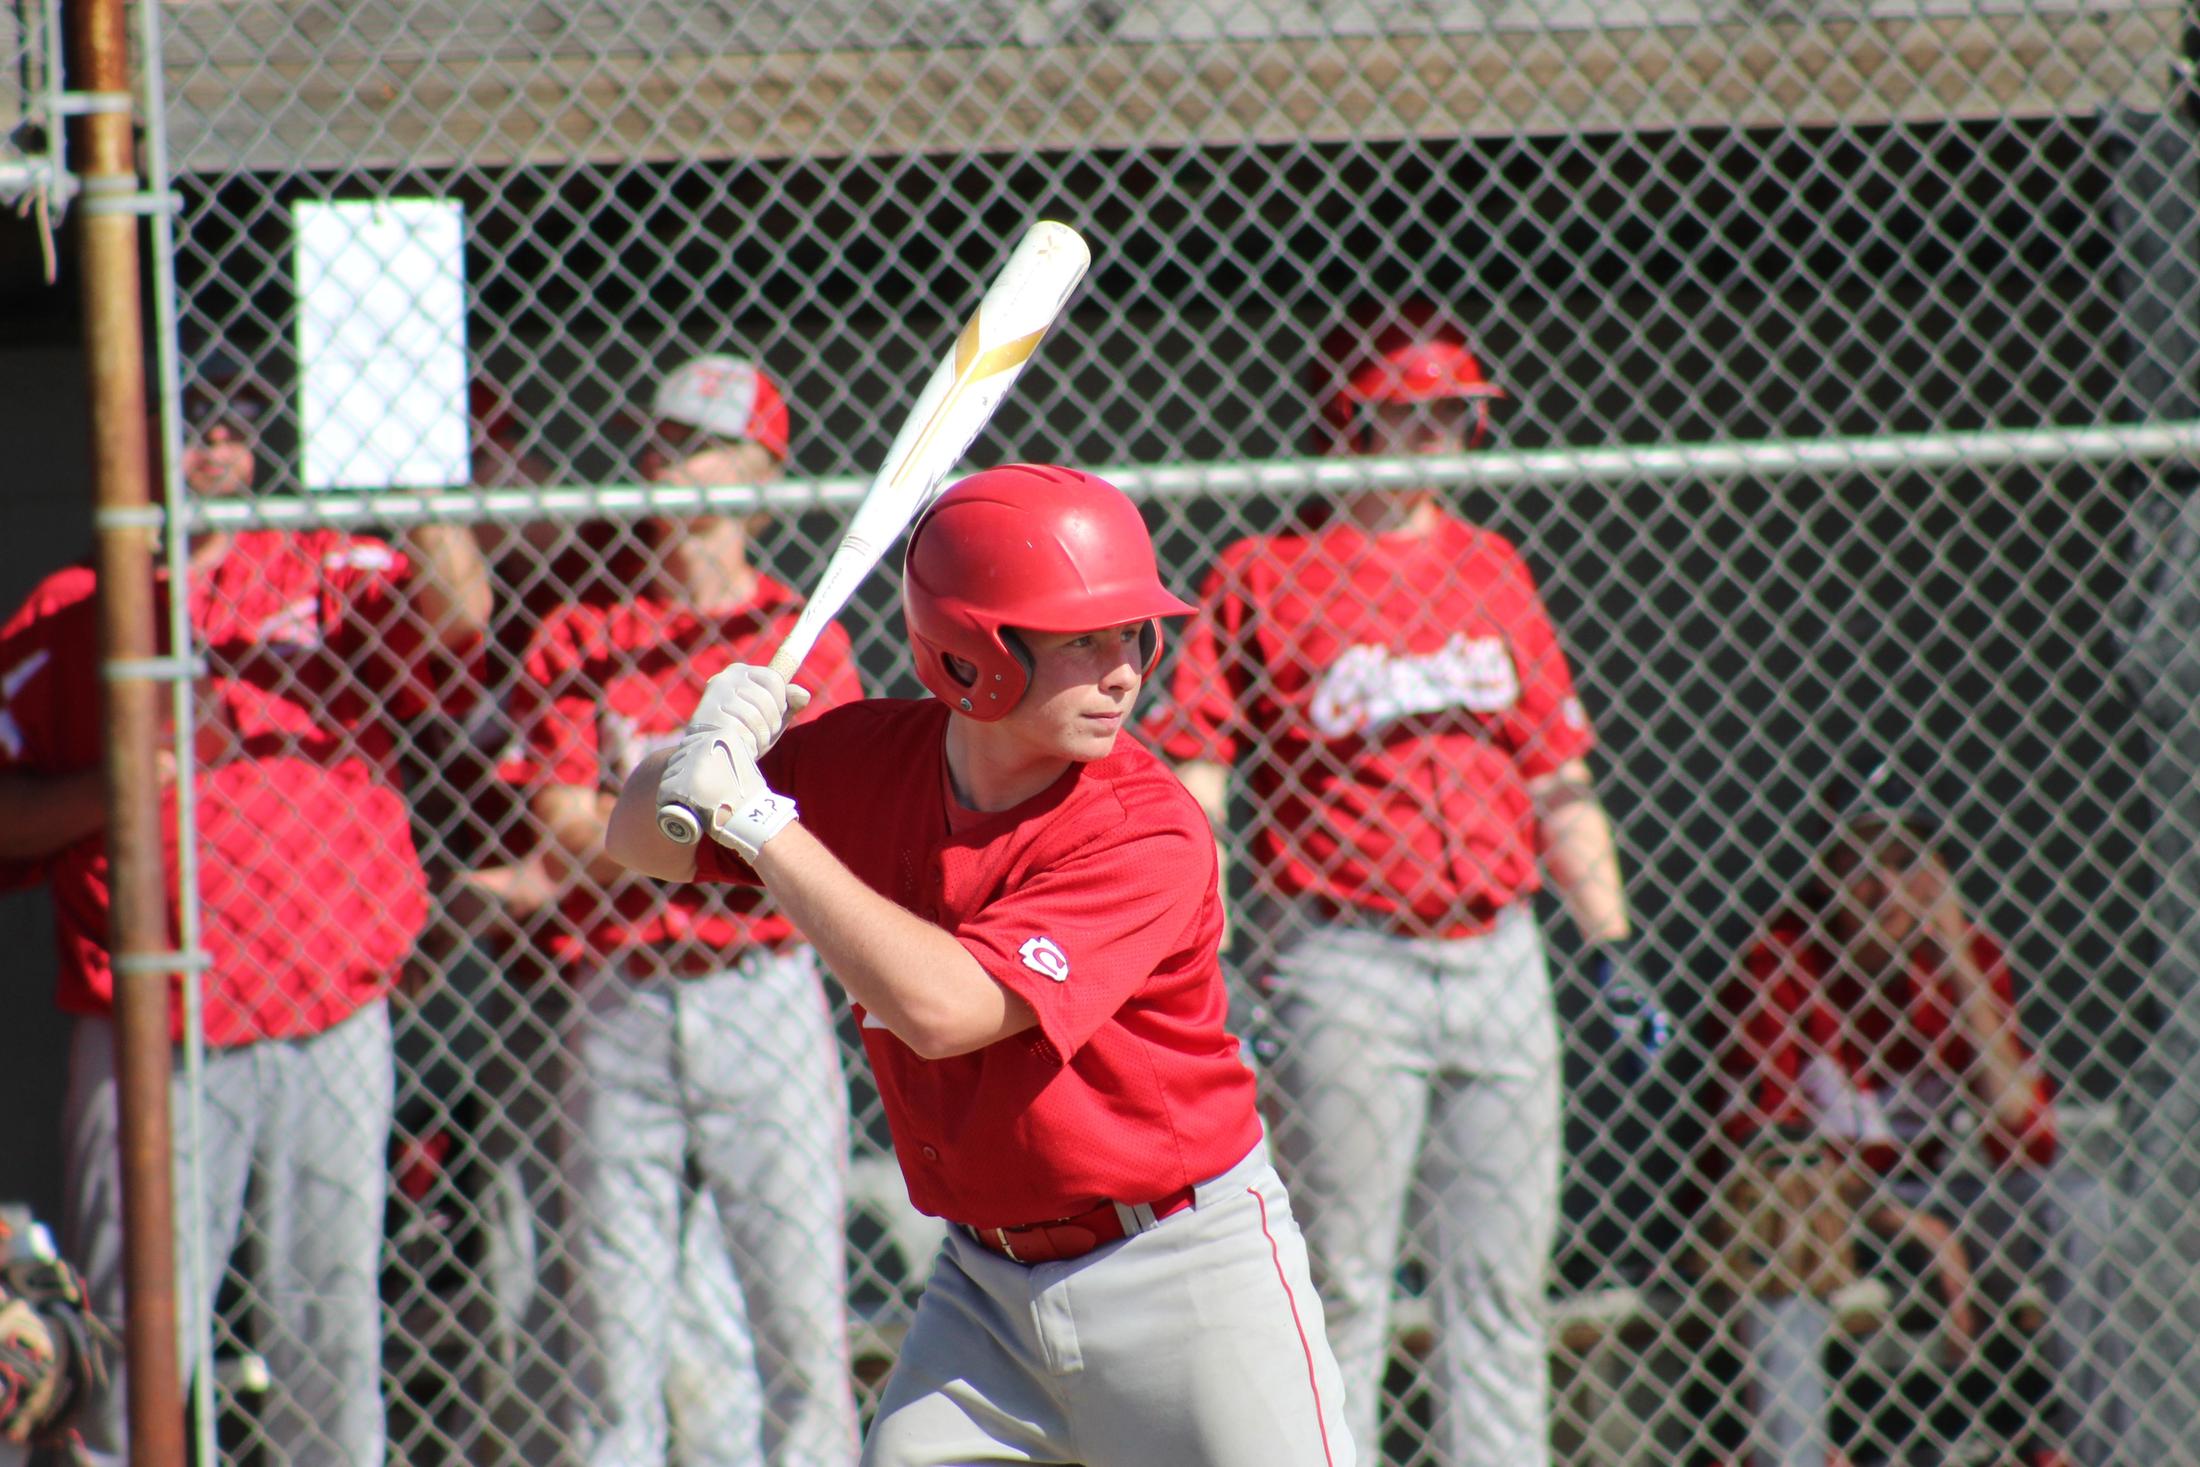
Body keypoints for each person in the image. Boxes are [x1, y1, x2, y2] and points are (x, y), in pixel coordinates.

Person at [603, 464, 1355, 1467]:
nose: (1124, 672)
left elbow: (943, 1009)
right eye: (1082, 641)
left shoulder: (1147, 828)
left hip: (1182, 1277)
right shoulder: (868, 760)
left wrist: (759, 821)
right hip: (984, 1292)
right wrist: (698, 751)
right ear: (971, 655)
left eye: (1133, 634)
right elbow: (635, 837)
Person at [1142, 299, 1653, 1467]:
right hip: (1343, 960)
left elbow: (1557, 776)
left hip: (1501, 955)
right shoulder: (1266, 571)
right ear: (1346, 417)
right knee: (1342, 1281)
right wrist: (1209, 954)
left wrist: (1610, 943)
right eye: (1410, 415)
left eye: (1455, 416)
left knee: (1503, 1289)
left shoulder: (1490, 565)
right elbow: (1198, 778)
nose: (1439, 439)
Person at [0, 355, 489, 1466]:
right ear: (132, 442)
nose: (215, 445)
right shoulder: (70, 609)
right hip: (148, 1024)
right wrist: (120, 786)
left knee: (330, 1329)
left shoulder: (320, 566)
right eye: (190, 422)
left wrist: (422, 487)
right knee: (133, 1341)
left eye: (235, 422)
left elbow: (456, 616)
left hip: (328, 1009)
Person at [475, 354, 863, 1467]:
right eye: (664, 441)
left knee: (799, 1320)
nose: (675, 464)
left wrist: (650, 832)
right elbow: (563, 821)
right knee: (613, 1330)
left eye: (706, 446)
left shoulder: (800, 641)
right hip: (622, 992)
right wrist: (734, 830)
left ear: (763, 475)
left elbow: (822, 832)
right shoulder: (583, 631)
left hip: (762, 992)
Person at [1706, 754, 2124, 1467]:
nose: (1885, 889)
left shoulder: (1965, 957)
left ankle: (2098, 1451)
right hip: (1828, 1212)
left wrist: (1959, 965)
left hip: (1931, 1198)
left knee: (2080, 1203)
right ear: (1826, 874)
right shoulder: (1782, 959)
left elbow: (2026, 1140)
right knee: (1787, 1252)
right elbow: (1771, 1160)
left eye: (1906, 861)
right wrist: (1917, 1230)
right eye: (1860, 864)